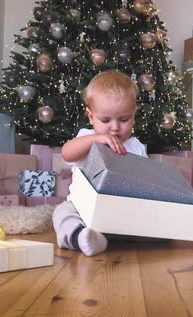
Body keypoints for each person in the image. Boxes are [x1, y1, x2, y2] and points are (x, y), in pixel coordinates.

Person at [52, 70, 147, 256]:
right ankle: (80, 236)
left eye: (124, 119)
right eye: (105, 120)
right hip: (81, 207)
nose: (114, 127)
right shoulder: (87, 137)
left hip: (119, 209)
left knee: (147, 220)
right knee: (61, 213)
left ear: (134, 116)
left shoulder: (136, 146)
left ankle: (108, 235)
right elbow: (67, 154)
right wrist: (95, 139)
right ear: (90, 116)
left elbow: (145, 180)